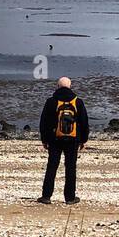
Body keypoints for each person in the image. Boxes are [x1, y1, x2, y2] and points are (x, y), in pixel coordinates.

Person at [38, 76, 89, 204]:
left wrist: (44, 140)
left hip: (55, 139)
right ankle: (70, 197)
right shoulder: (77, 102)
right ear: (70, 86)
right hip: (73, 140)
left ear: (58, 86)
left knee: (52, 167)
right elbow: (84, 122)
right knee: (71, 168)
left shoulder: (51, 101)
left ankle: (46, 196)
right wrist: (83, 140)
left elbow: (44, 122)